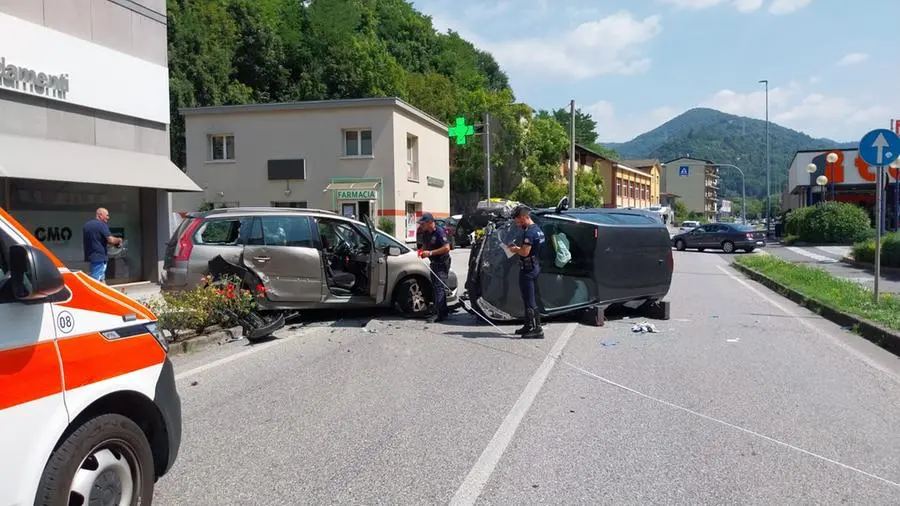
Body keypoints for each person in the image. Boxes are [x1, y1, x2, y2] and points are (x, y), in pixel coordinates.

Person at [507, 205, 545, 339]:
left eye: (518, 220)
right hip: (533, 266)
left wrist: (515, 249)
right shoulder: (538, 230)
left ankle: (537, 329)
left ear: (524, 217)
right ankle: (528, 325)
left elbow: (525, 252)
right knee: (527, 298)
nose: (517, 224)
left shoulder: (530, 232)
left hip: (528, 269)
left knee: (530, 299)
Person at [417, 212, 451, 323]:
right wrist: (421, 251)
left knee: (439, 288)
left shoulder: (440, 232)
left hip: (442, 263)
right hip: (434, 263)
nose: (421, 226)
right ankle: (443, 310)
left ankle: (439, 314)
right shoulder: (426, 233)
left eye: (423, 223)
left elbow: (447, 248)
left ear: (430, 222)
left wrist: (430, 253)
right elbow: (424, 245)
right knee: (437, 287)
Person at [82, 207, 122, 283]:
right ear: (100, 215)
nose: (108, 217)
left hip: (91, 255)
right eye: (106, 215)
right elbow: (111, 240)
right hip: (100, 256)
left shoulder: (86, 225)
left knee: (101, 280)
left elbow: (95, 240)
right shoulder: (102, 225)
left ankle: (103, 292)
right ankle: (92, 294)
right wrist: (119, 240)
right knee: (95, 280)